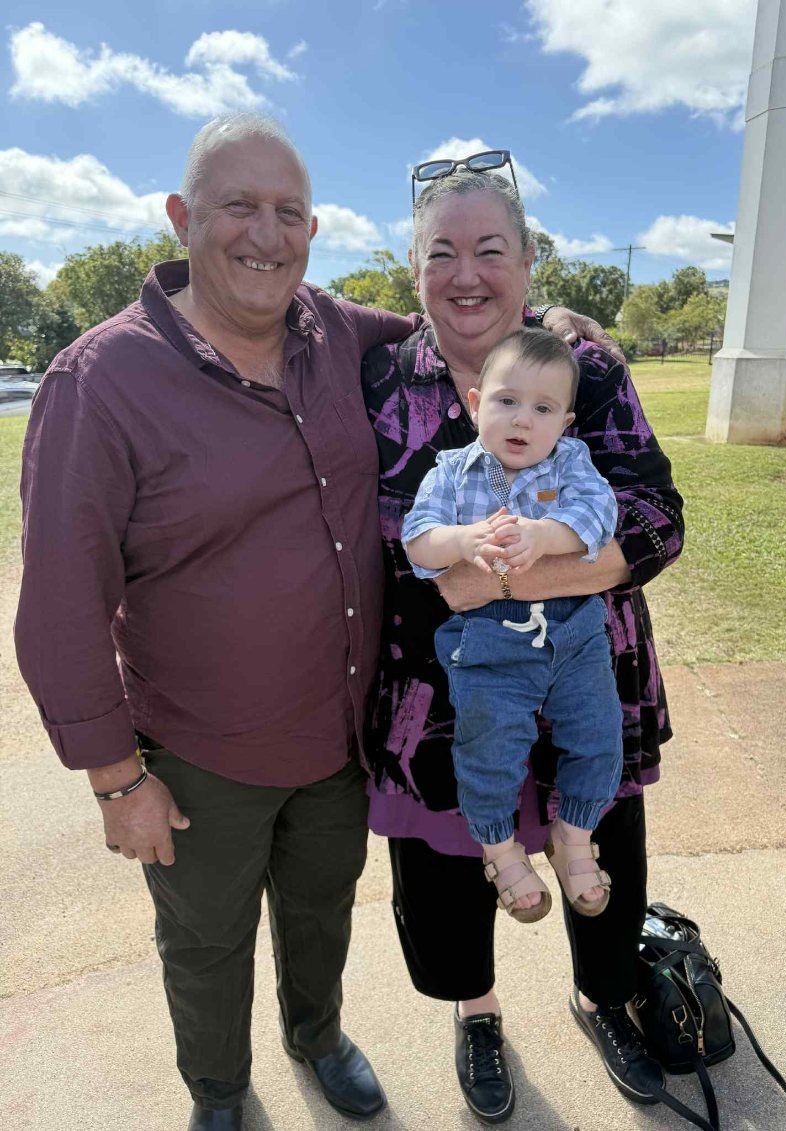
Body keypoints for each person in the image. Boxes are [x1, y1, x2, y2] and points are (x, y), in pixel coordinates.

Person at [14, 112, 434, 1131]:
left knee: (320, 910)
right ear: (180, 219)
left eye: (288, 212)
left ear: (311, 228)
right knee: (204, 942)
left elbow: (447, 331)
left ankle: (317, 1037)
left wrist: (550, 330)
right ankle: (216, 1087)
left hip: (339, 736)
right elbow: (61, 602)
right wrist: (118, 781)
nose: (266, 232)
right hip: (198, 755)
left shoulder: (333, 330)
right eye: (238, 206)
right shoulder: (98, 380)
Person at [361, 159, 684, 1124]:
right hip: (439, 688)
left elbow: (657, 515)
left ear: (529, 260)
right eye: (441, 253)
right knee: (454, 863)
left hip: (592, 662)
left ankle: (602, 995)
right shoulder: (383, 374)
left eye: (490, 249)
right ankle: (478, 1012)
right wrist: (449, 564)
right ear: (412, 267)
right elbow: (382, 527)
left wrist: (495, 572)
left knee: (600, 842)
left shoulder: (591, 368)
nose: (467, 274)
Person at [402, 328, 623, 923]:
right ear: (476, 404)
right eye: (506, 401)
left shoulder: (571, 461)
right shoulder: (451, 472)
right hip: (489, 640)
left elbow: (599, 513)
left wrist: (544, 536)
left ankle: (574, 838)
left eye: (543, 408)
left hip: (575, 633)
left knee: (599, 738)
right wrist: (464, 540)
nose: (522, 420)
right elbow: (418, 543)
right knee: (490, 748)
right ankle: (500, 848)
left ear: (565, 422)